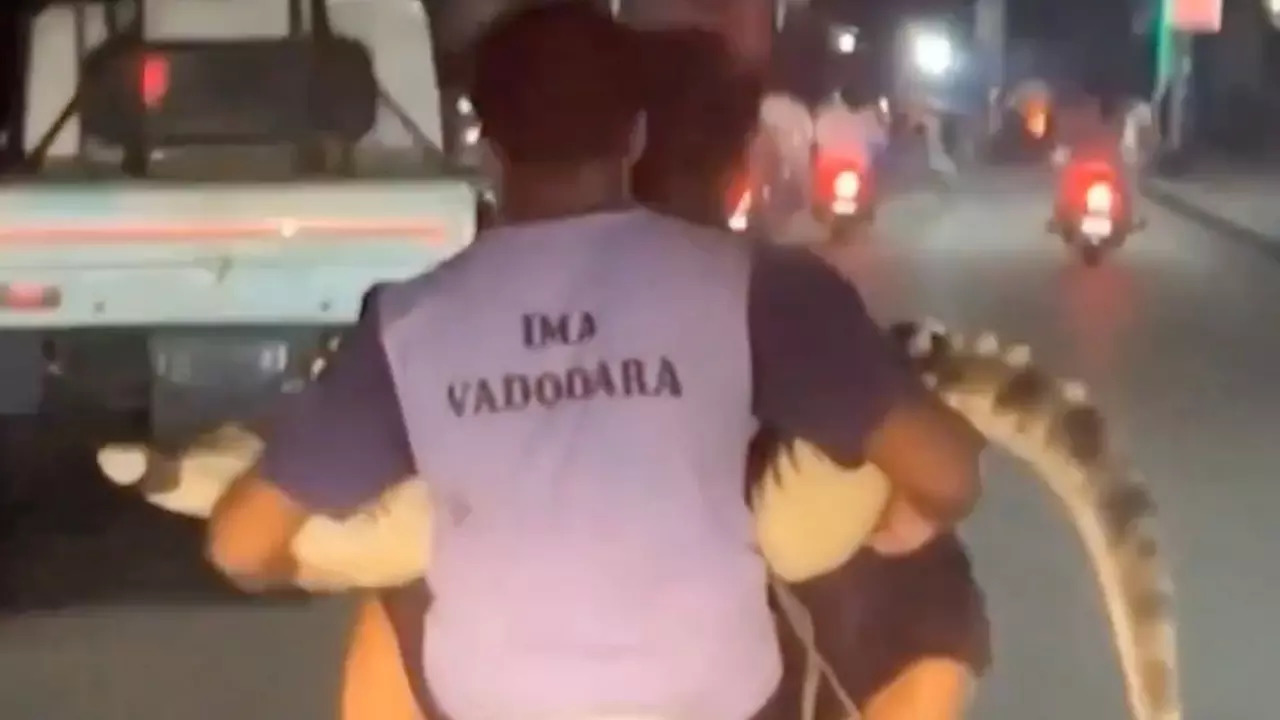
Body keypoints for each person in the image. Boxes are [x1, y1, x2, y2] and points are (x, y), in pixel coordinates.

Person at [204, 3, 982, 720]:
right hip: (715, 701)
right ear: (635, 137)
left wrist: (292, 569)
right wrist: (903, 521)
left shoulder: (407, 324)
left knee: (401, 595)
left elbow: (239, 543)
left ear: (489, 141)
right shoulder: (754, 287)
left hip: (493, 705)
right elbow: (947, 474)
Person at [634, 28, 990, 720]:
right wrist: (903, 514)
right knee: (935, 577)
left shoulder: (484, 296)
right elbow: (949, 473)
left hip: (523, 650)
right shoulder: (776, 289)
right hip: (714, 656)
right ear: (743, 164)